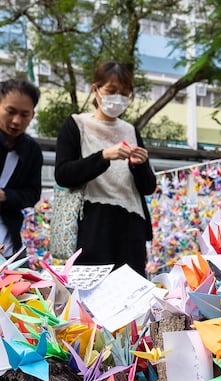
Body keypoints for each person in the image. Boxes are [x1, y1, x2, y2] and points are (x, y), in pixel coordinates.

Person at [55, 61, 156, 276]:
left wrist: (141, 165)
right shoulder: (77, 124)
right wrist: (103, 156)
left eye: (124, 93)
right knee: (90, 293)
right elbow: (63, 174)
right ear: (96, 89)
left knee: (132, 293)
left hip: (132, 222)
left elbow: (148, 187)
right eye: (111, 91)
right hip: (93, 221)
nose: (118, 98)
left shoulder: (131, 130)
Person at [0, 79, 42, 258]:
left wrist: (6, 195)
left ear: (32, 115)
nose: (16, 121)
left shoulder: (32, 150)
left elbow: (32, 195)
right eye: (10, 112)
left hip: (9, 237)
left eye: (24, 115)